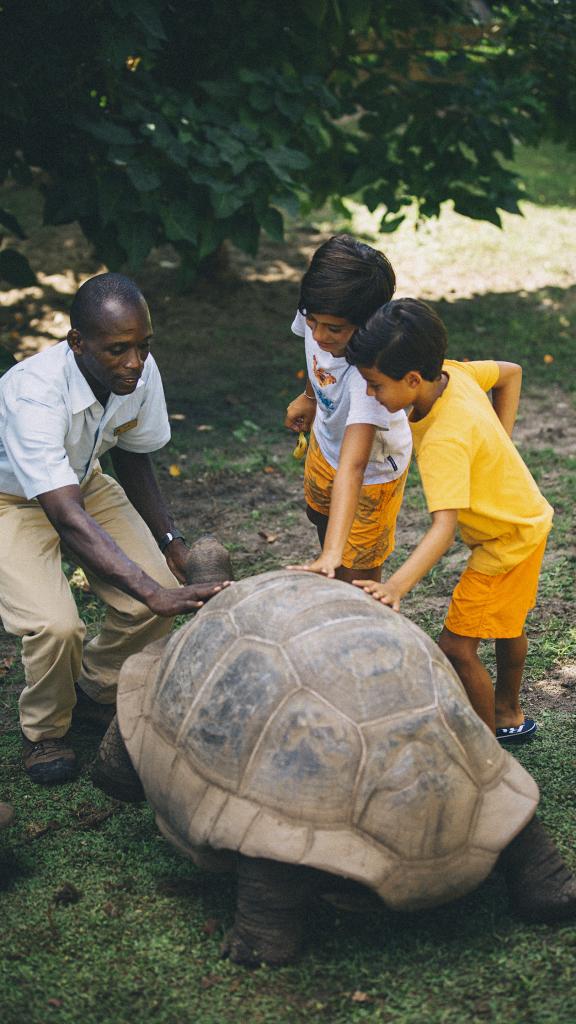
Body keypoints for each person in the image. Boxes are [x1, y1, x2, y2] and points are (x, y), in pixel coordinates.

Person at [0, 273, 228, 785]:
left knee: (165, 590)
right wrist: (147, 589)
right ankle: (46, 731)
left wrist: (170, 544)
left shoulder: (139, 373)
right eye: (118, 349)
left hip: (83, 480)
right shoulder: (32, 393)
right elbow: (66, 517)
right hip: (11, 500)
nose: (134, 362)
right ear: (76, 342)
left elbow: (134, 456)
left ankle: (93, 689)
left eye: (144, 346)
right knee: (56, 625)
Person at [346, 298, 553, 740]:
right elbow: (510, 372)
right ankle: (508, 713)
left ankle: (485, 746)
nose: (369, 394)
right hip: (528, 519)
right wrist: (500, 440)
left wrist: (394, 586)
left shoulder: (444, 439)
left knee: (457, 647)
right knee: (507, 622)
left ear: (413, 379)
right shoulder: (454, 373)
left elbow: (443, 527)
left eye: (375, 385)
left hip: (504, 544)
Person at [284, 235, 412, 584]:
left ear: (368, 323)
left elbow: (354, 468)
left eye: (334, 329)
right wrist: (310, 397)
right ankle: (335, 562)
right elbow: (315, 355)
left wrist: (330, 555)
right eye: (313, 322)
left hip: (371, 473)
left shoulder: (370, 378)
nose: (320, 334)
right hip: (326, 445)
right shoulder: (320, 313)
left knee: (359, 579)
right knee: (319, 515)